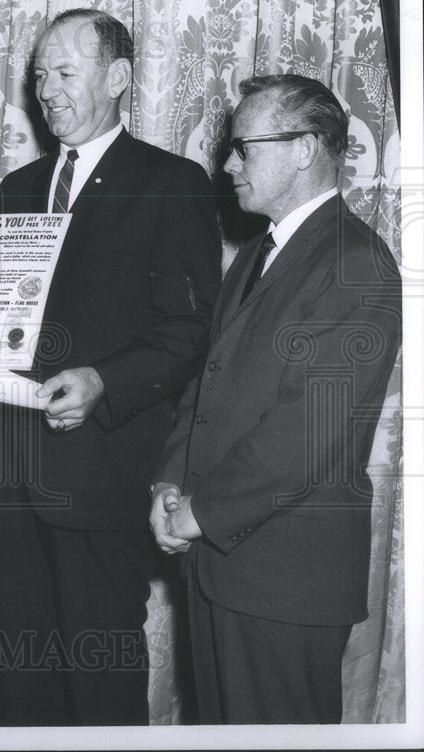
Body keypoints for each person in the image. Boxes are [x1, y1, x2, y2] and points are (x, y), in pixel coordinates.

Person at [0, 8, 223, 725]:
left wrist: (104, 380)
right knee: (18, 683)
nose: (47, 90)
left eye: (64, 72)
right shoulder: (19, 188)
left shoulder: (171, 182)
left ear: (118, 78)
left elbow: (191, 328)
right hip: (9, 480)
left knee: (98, 681)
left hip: (101, 478)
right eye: (40, 74)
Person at [149, 74, 402, 724]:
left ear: (305, 148)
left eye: (244, 147)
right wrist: (168, 485)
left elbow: (304, 435)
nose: (228, 164)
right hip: (219, 570)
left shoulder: (357, 264)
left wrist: (199, 513)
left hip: (283, 587)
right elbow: (204, 389)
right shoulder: (256, 254)